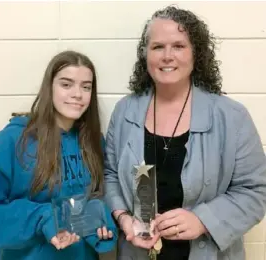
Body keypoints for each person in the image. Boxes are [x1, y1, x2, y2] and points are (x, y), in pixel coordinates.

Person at [104, 5, 266, 260]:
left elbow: (256, 191)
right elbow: (110, 174)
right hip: (137, 252)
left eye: (179, 46)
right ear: (146, 54)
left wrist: (203, 220)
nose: (167, 56)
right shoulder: (125, 111)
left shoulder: (232, 117)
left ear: (196, 54)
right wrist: (123, 218)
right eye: (158, 47)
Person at [0, 50, 117, 260]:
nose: (77, 94)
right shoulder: (15, 139)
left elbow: (97, 199)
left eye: (86, 87)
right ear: (49, 87)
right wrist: (44, 218)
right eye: (66, 84)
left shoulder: (93, 141)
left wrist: (99, 219)